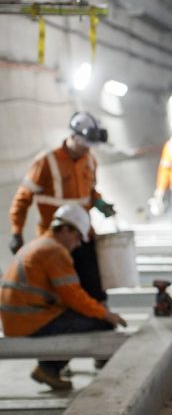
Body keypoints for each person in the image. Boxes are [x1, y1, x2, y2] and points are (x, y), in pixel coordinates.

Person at [1, 204, 127, 390]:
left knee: (85, 315)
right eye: (77, 237)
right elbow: (73, 296)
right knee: (101, 322)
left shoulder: (41, 244)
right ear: (66, 229)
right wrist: (105, 314)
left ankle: (48, 368)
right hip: (29, 322)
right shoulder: (55, 252)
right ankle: (48, 369)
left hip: (17, 320)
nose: (77, 244)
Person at [9, 112, 116, 304]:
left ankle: (100, 319)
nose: (87, 150)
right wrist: (17, 231)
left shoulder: (90, 161)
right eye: (84, 144)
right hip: (56, 239)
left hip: (82, 236)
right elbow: (22, 198)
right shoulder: (46, 162)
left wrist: (99, 203)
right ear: (73, 136)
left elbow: (91, 192)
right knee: (61, 288)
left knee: (93, 282)